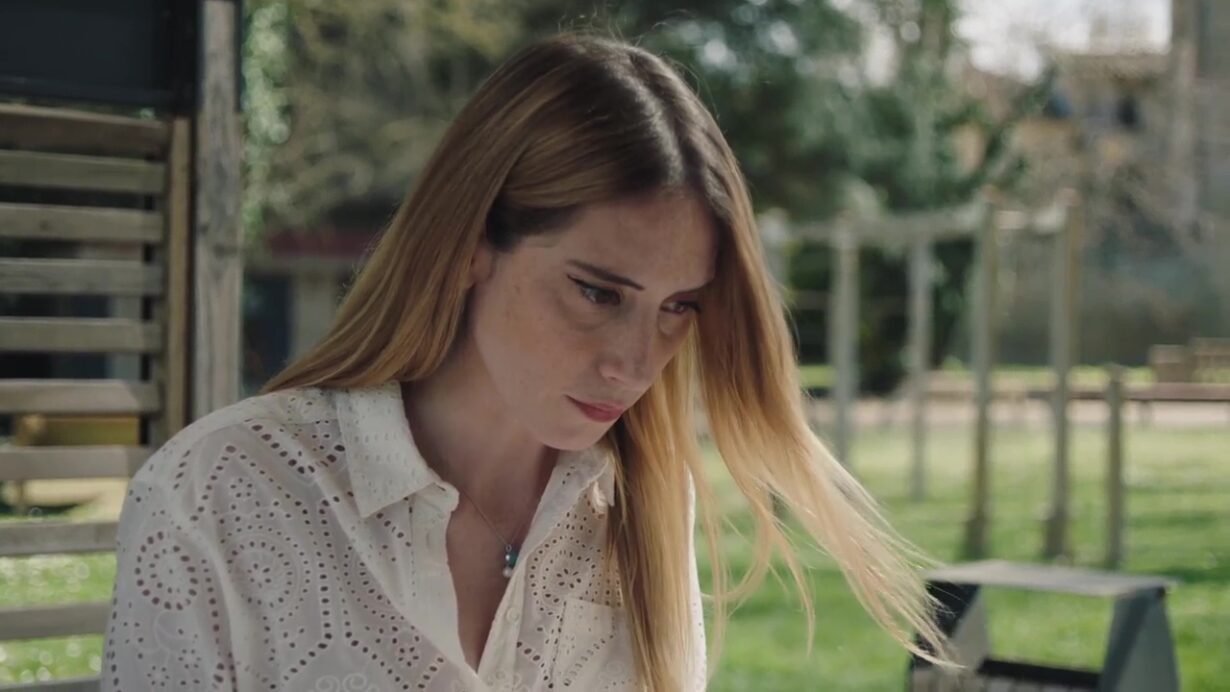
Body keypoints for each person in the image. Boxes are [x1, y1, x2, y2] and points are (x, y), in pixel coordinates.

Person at [101, 33, 952, 691]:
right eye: (597, 292)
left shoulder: (644, 507)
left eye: (678, 307)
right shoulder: (217, 496)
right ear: (472, 245)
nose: (634, 365)